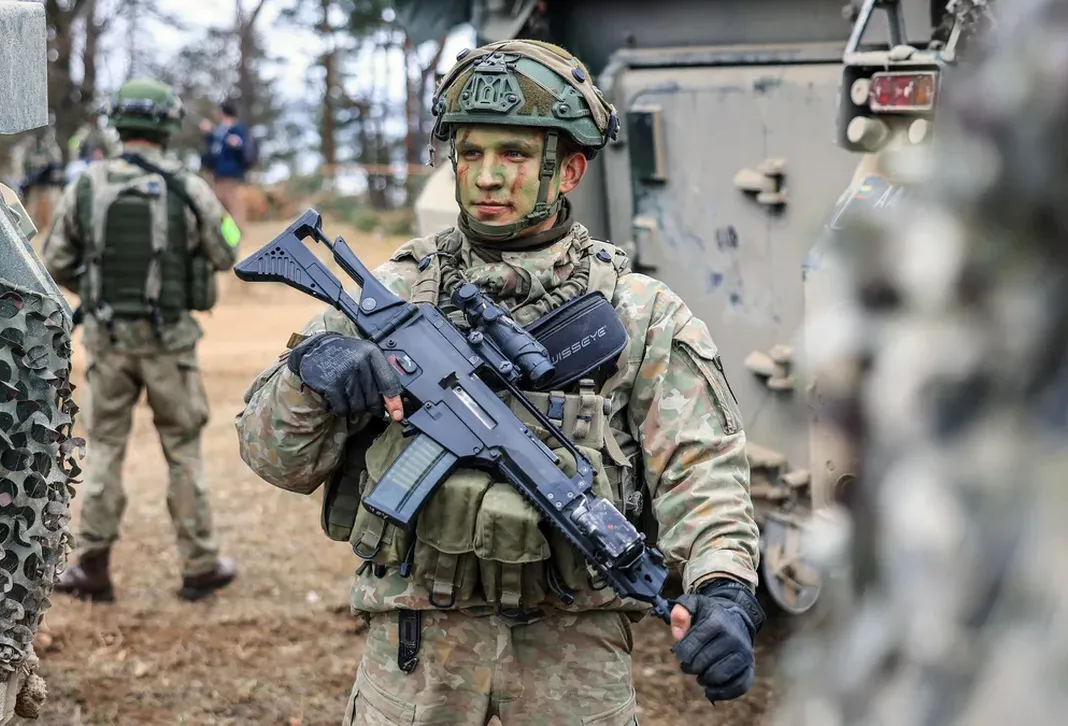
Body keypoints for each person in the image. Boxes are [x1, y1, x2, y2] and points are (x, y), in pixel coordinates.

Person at [234, 40, 764, 724]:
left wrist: (723, 588)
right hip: (415, 660)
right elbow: (272, 456)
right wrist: (315, 370)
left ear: (569, 169)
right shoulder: (393, 294)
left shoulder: (638, 313)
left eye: (514, 155)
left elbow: (705, 472)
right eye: (471, 153)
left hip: (575, 662)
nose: (487, 177)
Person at [43, 78, 242, 603]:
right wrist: (220, 233)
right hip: (171, 343)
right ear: (168, 125)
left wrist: (100, 287)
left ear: (118, 122)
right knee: (184, 451)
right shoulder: (190, 186)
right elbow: (228, 250)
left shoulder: (86, 184)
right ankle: (200, 566)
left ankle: (92, 568)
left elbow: (55, 261)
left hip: (108, 341)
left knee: (105, 448)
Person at [199, 101, 251, 227]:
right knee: (220, 203)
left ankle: (238, 231)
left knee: (233, 202)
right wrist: (209, 133)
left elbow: (240, 147)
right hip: (218, 172)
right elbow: (214, 148)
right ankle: (227, 233)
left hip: (231, 172)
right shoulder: (221, 129)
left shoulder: (237, 128)